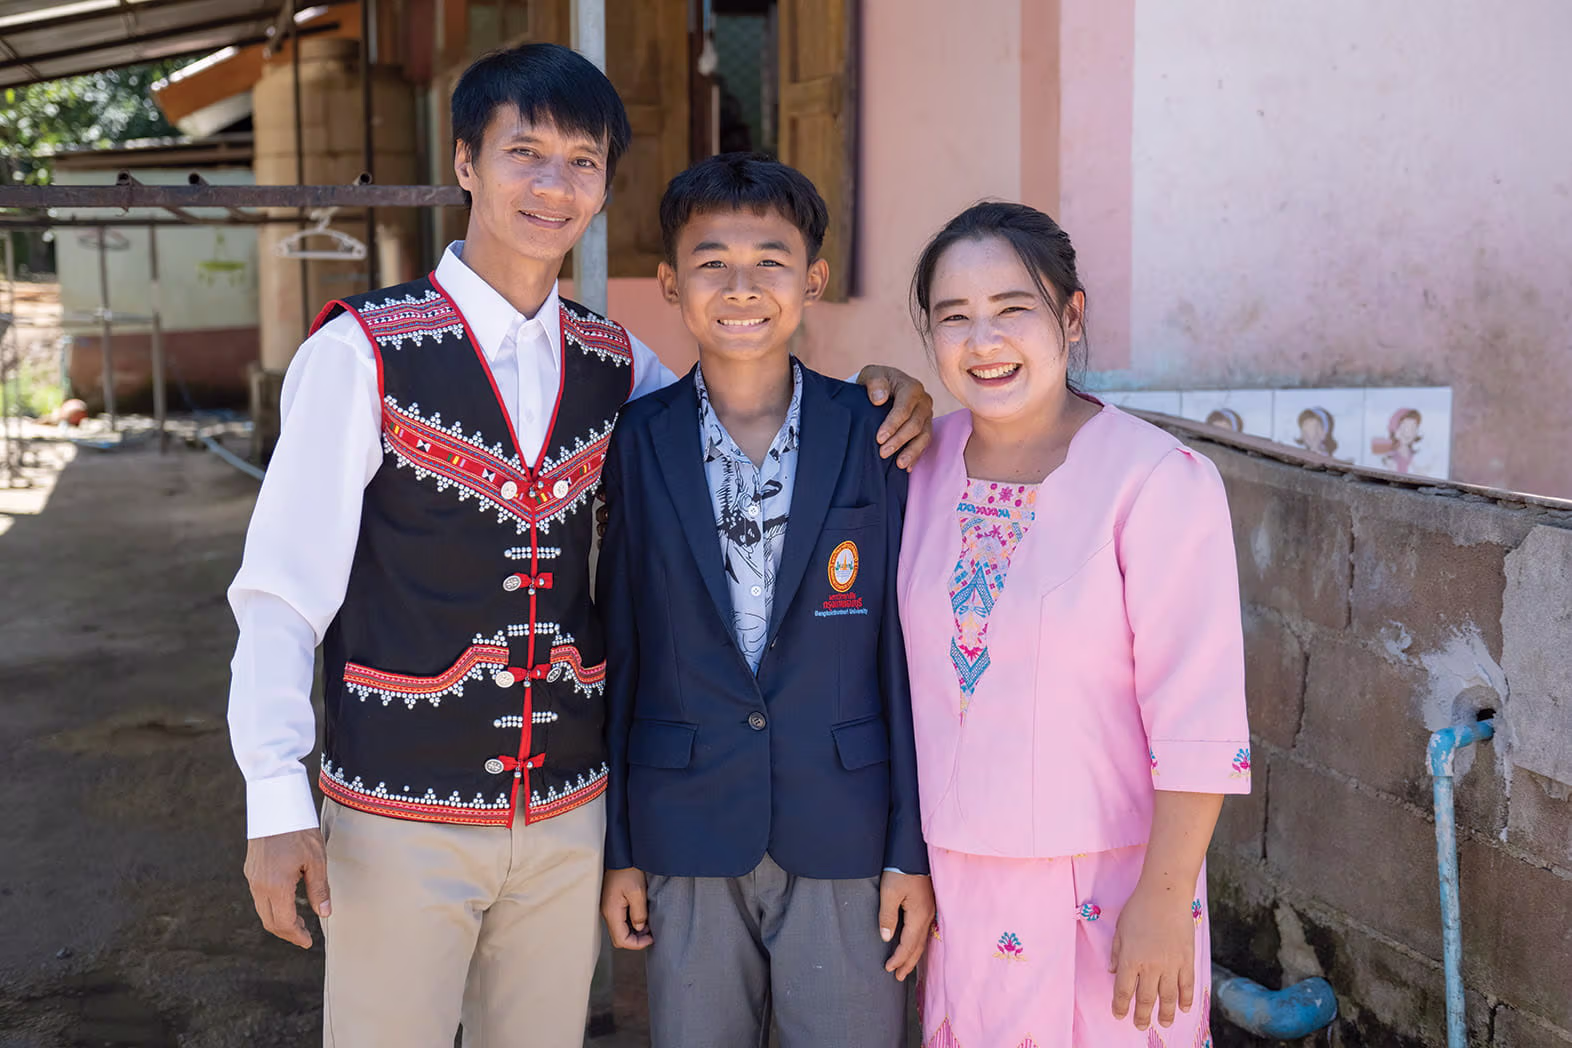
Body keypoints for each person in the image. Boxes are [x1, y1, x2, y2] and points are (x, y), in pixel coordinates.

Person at [225, 46, 934, 1048]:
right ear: (467, 162)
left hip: (566, 815)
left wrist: (885, 391)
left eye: (583, 162)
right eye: (526, 154)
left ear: (606, 184)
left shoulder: (616, 363)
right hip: (400, 809)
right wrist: (273, 792)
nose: (553, 186)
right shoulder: (361, 353)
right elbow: (281, 595)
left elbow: (738, 399)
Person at [596, 153, 934, 1048]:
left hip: (845, 828)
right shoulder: (635, 440)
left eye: (771, 261)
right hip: (685, 823)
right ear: (669, 283)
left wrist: (910, 848)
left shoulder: (876, 429)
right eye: (711, 262)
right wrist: (620, 847)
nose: (741, 286)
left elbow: (900, 658)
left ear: (813, 280)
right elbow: (623, 650)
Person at [898, 202, 1252, 1047]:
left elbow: (1199, 720)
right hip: (960, 886)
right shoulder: (915, 467)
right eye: (955, 319)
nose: (984, 341)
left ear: (1072, 314)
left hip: (1115, 885)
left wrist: (1166, 901)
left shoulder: (1158, 482)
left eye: (1013, 309)